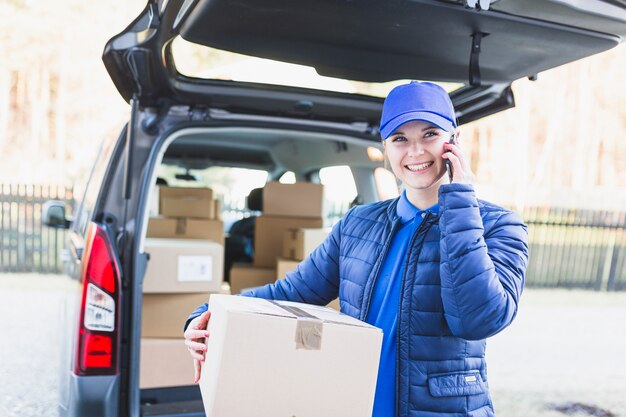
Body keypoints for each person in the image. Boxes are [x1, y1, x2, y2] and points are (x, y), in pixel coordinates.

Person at [183, 81, 529, 417]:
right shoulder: (357, 225)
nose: (415, 151)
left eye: (430, 134)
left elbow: (478, 320)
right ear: (385, 146)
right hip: (355, 405)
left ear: (455, 139)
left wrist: (460, 204)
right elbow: (290, 293)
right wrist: (211, 313)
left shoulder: (499, 225)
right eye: (400, 139)